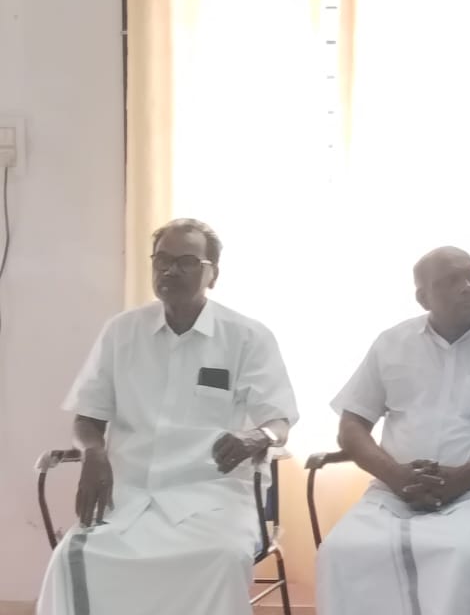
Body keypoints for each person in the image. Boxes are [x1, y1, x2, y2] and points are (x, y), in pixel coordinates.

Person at [37, 218, 299, 615]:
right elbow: (87, 417)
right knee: (72, 558)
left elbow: (278, 422)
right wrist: (93, 451)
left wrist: (256, 437)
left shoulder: (247, 336)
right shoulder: (121, 332)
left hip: (213, 497)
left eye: (186, 262)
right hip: (129, 495)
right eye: (162, 260)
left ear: (213, 274)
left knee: (222, 558)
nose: (170, 270)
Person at [316, 246, 470, 615]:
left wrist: (463, 478)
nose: (468, 287)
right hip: (393, 492)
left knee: (464, 554)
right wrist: (397, 477)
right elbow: (351, 427)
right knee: (341, 550)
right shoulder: (392, 343)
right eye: (450, 281)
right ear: (423, 297)